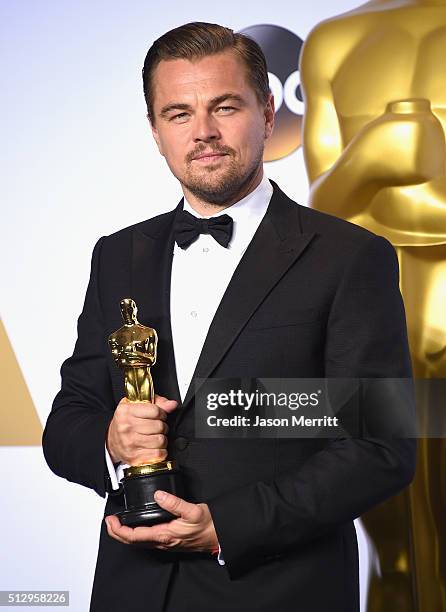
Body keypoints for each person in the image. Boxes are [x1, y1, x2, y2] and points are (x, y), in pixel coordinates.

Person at [42, 21, 416, 612]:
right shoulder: (117, 255)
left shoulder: (351, 257)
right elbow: (68, 421)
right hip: (131, 590)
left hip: (280, 591)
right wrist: (109, 441)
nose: (204, 133)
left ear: (268, 113)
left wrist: (230, 525)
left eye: (225, 106)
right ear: (155, 131)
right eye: (179, 114)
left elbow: (382, 446)